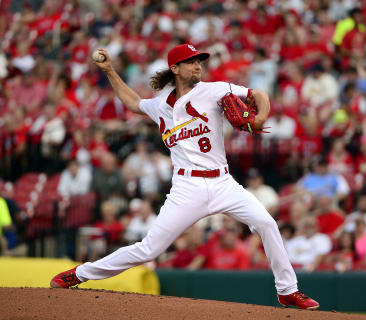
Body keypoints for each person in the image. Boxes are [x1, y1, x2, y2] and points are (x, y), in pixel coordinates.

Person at [50, 44, 319, 309]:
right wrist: (109, 71)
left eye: (199, 61)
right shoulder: (160, 106)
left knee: (267, 223)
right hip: (187, 186)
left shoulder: (214, 90)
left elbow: (258, 94)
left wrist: (260, 118)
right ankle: (80, 274)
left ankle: (288, 290)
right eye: (191, 61)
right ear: (175, 68)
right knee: (149, 249)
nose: (197, 65)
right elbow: (133, 103)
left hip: (223, 182)